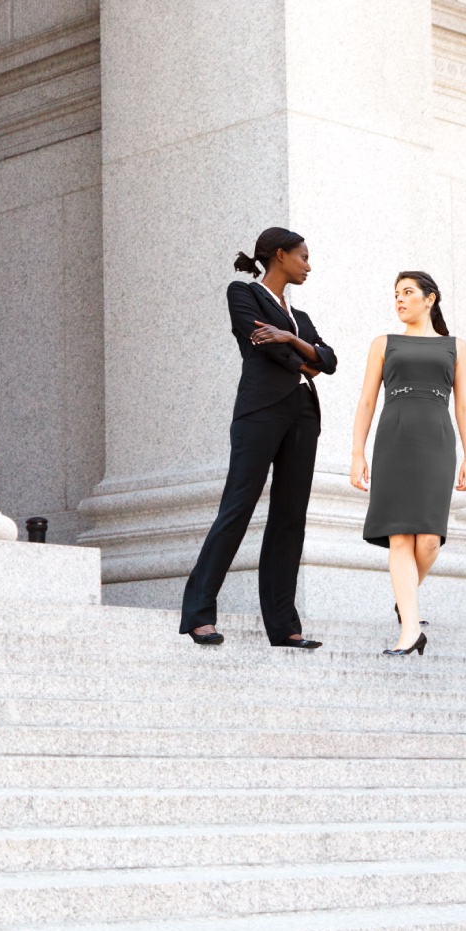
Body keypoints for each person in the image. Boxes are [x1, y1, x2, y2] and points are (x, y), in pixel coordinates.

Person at [180, 227, 337, 648]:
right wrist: (304, 357)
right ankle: (198, 613)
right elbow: (262, 345)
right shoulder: (242, 293)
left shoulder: (298, 319)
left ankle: (284, 626)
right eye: (303, 256)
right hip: (261, 411)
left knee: (290, 519)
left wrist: (289, 337)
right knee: (238, 506)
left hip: (304, 415)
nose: (308, 265)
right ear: (281, 255)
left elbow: (331, 360)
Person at [349, 271, 466, 657]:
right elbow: (367, 401)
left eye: (408, 293)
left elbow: (465, 404)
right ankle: (410, 628)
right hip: (394, 439)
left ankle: (406, 602)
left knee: (430, 539)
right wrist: (358, 453)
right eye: (396, 294)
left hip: (437, 441)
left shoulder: (456, 346)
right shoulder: (383, 344)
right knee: (400, 536)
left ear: (430, 298)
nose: (400, 300)